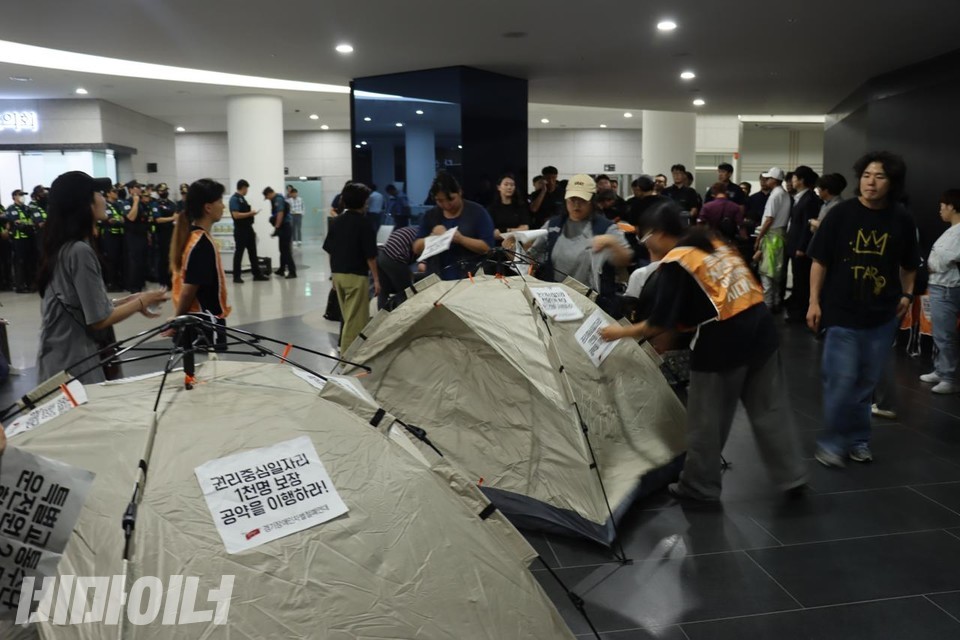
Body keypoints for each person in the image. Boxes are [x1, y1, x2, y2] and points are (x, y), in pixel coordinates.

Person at [600, 207, 806, 502]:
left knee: (706, 418)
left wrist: (616, 332)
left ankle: (700, 486)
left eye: (645, 239)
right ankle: (792, 474)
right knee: (770, 409)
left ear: (658, 234)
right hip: (762, 330)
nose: (646, 246)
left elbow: (659, 323)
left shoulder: (677, 261)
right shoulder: (712, 241)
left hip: (723, 341)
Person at [807, 151, 921, 467]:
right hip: (841, 312)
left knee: (864, 384)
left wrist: (907, 295)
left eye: (880, 176)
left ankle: (858, 440)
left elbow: (910, 264)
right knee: (841, 379)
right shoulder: (841, 214)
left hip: (881, 315)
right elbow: (820, 262)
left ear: (892, 183)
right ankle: (831, 443)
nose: (871, 182)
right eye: (867, 175)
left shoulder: (901, 218)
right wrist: (814, 302)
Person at [37, 171, 168, 384]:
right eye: (98, 193)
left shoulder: (64, 247)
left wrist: (128, 300)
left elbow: (80, 302)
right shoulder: (79, 251)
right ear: (85, 204)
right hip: (74, 365)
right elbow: (98, 319)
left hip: (59, 361)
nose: (104, 198)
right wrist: (143, 301)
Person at [512, 174, 632, 316]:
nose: (576, 204)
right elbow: (531, 259)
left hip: (593, 304)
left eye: (582, 200)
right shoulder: (553, 226)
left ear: (592, 201)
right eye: (572, 199)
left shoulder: (606, 228)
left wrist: (612, 243)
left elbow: (625, 259)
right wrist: (515, 249)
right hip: (557, 301)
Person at [170, 179, 232, 350]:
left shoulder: (192, 237)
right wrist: (176, 320)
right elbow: (189, 290)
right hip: (202, 324)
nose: (223, 206)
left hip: (195, 321)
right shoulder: (201, 244)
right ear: (208, 207)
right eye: (219, 201)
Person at [323, 183, 380, 352]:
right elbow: (370, 256)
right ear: (362, 202)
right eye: (366, 200)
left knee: (347, 315)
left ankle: (344, 348)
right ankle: (348, 356)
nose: (368, 204)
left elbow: (330, 250)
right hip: (356, 276)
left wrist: (333, 274)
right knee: (356, 319)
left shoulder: (336, 221)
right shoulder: (364, 223)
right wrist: (376, 279)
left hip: (339, 275)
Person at [413, 173, 495, 281]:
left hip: (469, 278)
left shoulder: (478, 212)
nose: (447, 205)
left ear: (460, 192)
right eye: (440, 201)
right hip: (437, 279)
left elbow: (488, 248)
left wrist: (461, 239)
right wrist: (431, 237)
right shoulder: (430, 216)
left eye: (451, 199)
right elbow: (416, 248)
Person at [922, 189, 960, 394]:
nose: (941, 210)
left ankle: (948, 376)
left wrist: (933, 265)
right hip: (940, 286)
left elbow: (946, 258)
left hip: (947, 287)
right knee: (940, 332)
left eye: (943, 206)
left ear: (952, 206)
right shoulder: (951, 230)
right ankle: (941, 369)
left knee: (945, 334)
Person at [784, 166, 821, 322]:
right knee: (798, 280)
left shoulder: (810, 199)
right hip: (794, 245)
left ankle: (800, 314)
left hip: (801, 248)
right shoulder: (800, 197)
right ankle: (796, 311)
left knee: (802, 282)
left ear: (801, 180)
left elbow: (807, 226)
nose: (792, 181)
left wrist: (801, 247)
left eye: (794, 178)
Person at [753, 167, 791, 310]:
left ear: (774, 180)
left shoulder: (775, 196)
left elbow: (769, 219)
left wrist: (759, 237)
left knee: (767, 272)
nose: (765, 180)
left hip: (771, 237)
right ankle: (775, 301)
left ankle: (768, 304)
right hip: (780, 237)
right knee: (776, 272)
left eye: (768, 178)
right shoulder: (785, 194)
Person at [229, 179, 269, 283]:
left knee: (253, 252)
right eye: (247, 188)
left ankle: (257, 274)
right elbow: (236, 215)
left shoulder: (242, 199)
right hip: (240, 230)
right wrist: (250, 213)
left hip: (248, 229)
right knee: (239, 253)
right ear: (243, 188)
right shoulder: (234, 199)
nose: (247, 191)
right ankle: (236, 276)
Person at [377, 225, 419, 310]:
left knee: (384, 290)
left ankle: (381, 317)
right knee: (405, 292)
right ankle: (403, 317)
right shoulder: (423, 234)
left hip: (382, 255)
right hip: (395, 258)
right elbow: (421, 263)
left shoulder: (413, 229)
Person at [121, 181, 151, 292]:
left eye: (139, 187)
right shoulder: (127, 202)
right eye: (136, 187)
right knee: (135, 261)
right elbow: (131, 217)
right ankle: (133, 287)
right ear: (130, 190)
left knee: (143, 260)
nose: (139, 189)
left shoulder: (142, 203)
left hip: (142, 235)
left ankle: (141, 283)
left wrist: (148, 235)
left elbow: (145, 220)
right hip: (133, 236)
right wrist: (135, 201)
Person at [487, 174, 530, 242]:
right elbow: (492, 233)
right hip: (498, 247)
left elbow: (525, 229)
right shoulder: (492, 208)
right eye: (506, 184)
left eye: (512, 185)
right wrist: (515, 231)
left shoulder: (520, 207)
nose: (509, 187)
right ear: (499, 187)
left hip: (517, 245)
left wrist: (505, 230)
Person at [7, 189, 35, 293]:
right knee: (20, 262)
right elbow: (17, 223)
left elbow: (32, 221)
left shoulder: (27, 208)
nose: (22, 197)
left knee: (29, 261)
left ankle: (30, 283)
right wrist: (26, 224)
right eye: (20, 195)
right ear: (14, 196)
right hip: (18, 239)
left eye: (23, 195)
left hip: (29, 238)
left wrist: (26, 223)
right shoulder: (11, 209)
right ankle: (20, 286)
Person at [265, 187, 297, 278]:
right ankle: (281, 269)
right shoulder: (277, 198)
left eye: (267, 197)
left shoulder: (278, 199)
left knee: (286, 250)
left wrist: (277, 227)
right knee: (282, 249)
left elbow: (280, 214)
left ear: (269, 193)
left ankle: (292, 271)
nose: (268, 199)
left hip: (285, 227)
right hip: (283, 226)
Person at [99, 185, 125, 291]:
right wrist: (119, 219)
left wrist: (118, 219)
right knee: (111, 260)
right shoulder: (106, 205)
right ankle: (111, 283)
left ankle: (119, 282)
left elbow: (124, 218)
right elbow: (110, 220)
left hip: (120, 235)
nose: (116, 193)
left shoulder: (118, 204)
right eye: (113, 191)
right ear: (108, 193)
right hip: (109, 236)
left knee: (119, 260)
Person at [151, 183, 177, 288]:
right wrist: (172, 218)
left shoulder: (171, 204)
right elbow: (158, 219)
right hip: (161, 234)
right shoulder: (155, 204)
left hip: (172, 232)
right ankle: (163, 281)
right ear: (158, 192)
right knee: (162, 258)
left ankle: (171, 280)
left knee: (171, 257)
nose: (164, 192)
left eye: (166, 190)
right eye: (162, 191)